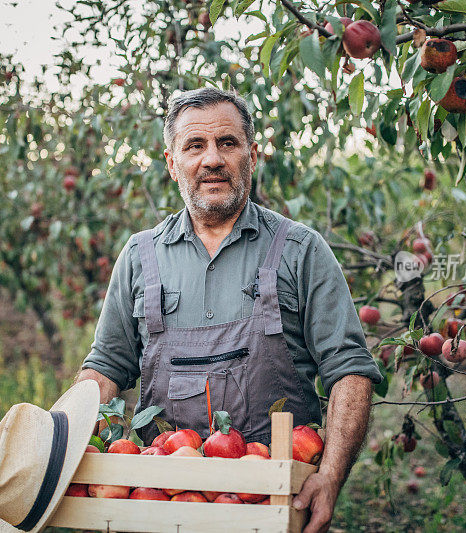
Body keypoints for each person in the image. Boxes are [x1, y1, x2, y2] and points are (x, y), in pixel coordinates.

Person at [73, 87, 383, 533]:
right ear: (171, 162)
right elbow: (104, 368)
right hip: (160, 505)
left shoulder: (301, 250)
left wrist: (330, 477)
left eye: (228, 143)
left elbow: (349, 370)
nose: (212, 159)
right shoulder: (140, 257)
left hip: (275, 505)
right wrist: (57, 444)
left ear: (252, 155)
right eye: (195, 145)